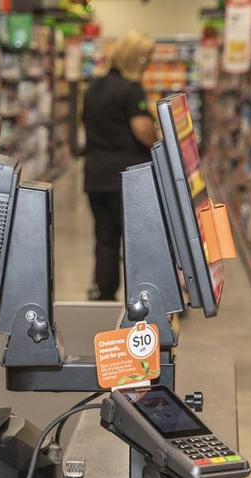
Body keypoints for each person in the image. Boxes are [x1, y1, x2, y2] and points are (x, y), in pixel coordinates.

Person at [83, 31, 159, 301]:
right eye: (146, 58)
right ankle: (144, 297)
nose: (148, 64)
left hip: (95, 175)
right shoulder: (131, 89)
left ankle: (104, 294)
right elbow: (141, 129)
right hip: (128, 178)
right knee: (136, 240)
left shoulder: (93, 88)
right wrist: (158, 136)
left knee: (105, 238)